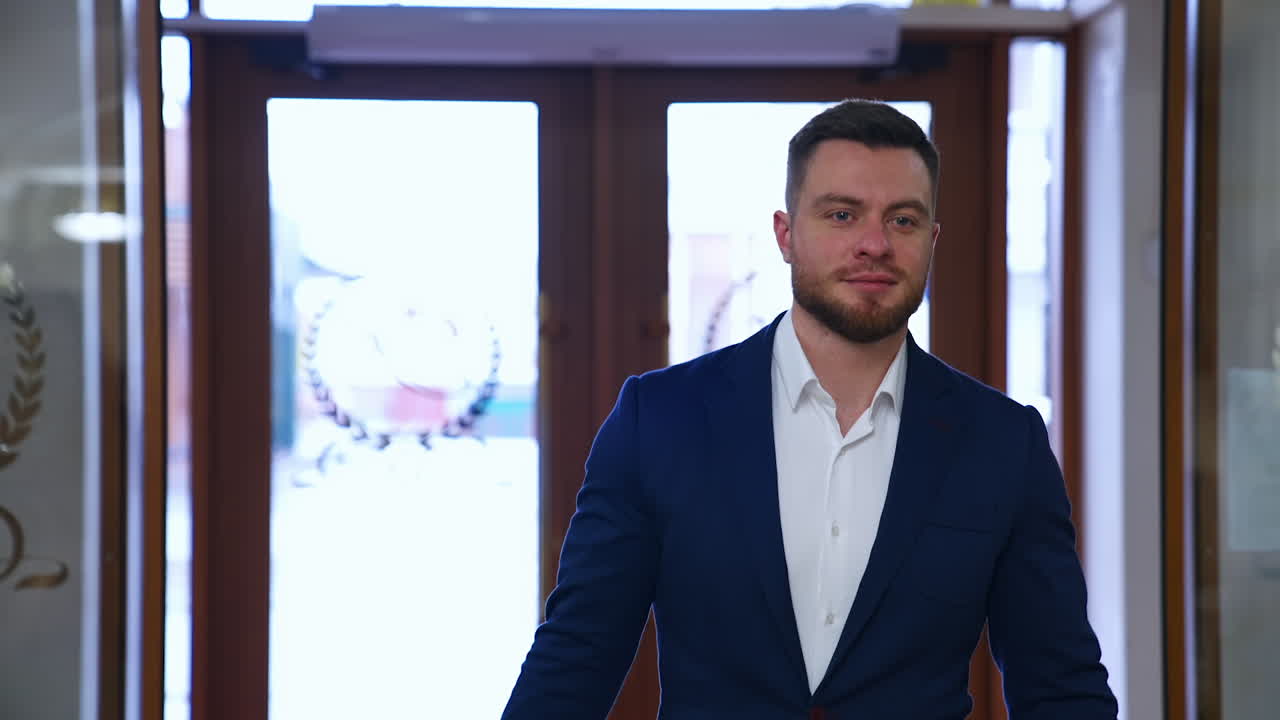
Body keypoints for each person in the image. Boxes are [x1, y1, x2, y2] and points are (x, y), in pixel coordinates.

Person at [502, 99, 1117, 719]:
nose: (874, 244)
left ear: (931, 242)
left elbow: (1060, 686)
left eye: (902, 221)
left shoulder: (1003, 442)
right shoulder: (659, 418)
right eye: (842, 215)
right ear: (786, 234)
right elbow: (578, 654)